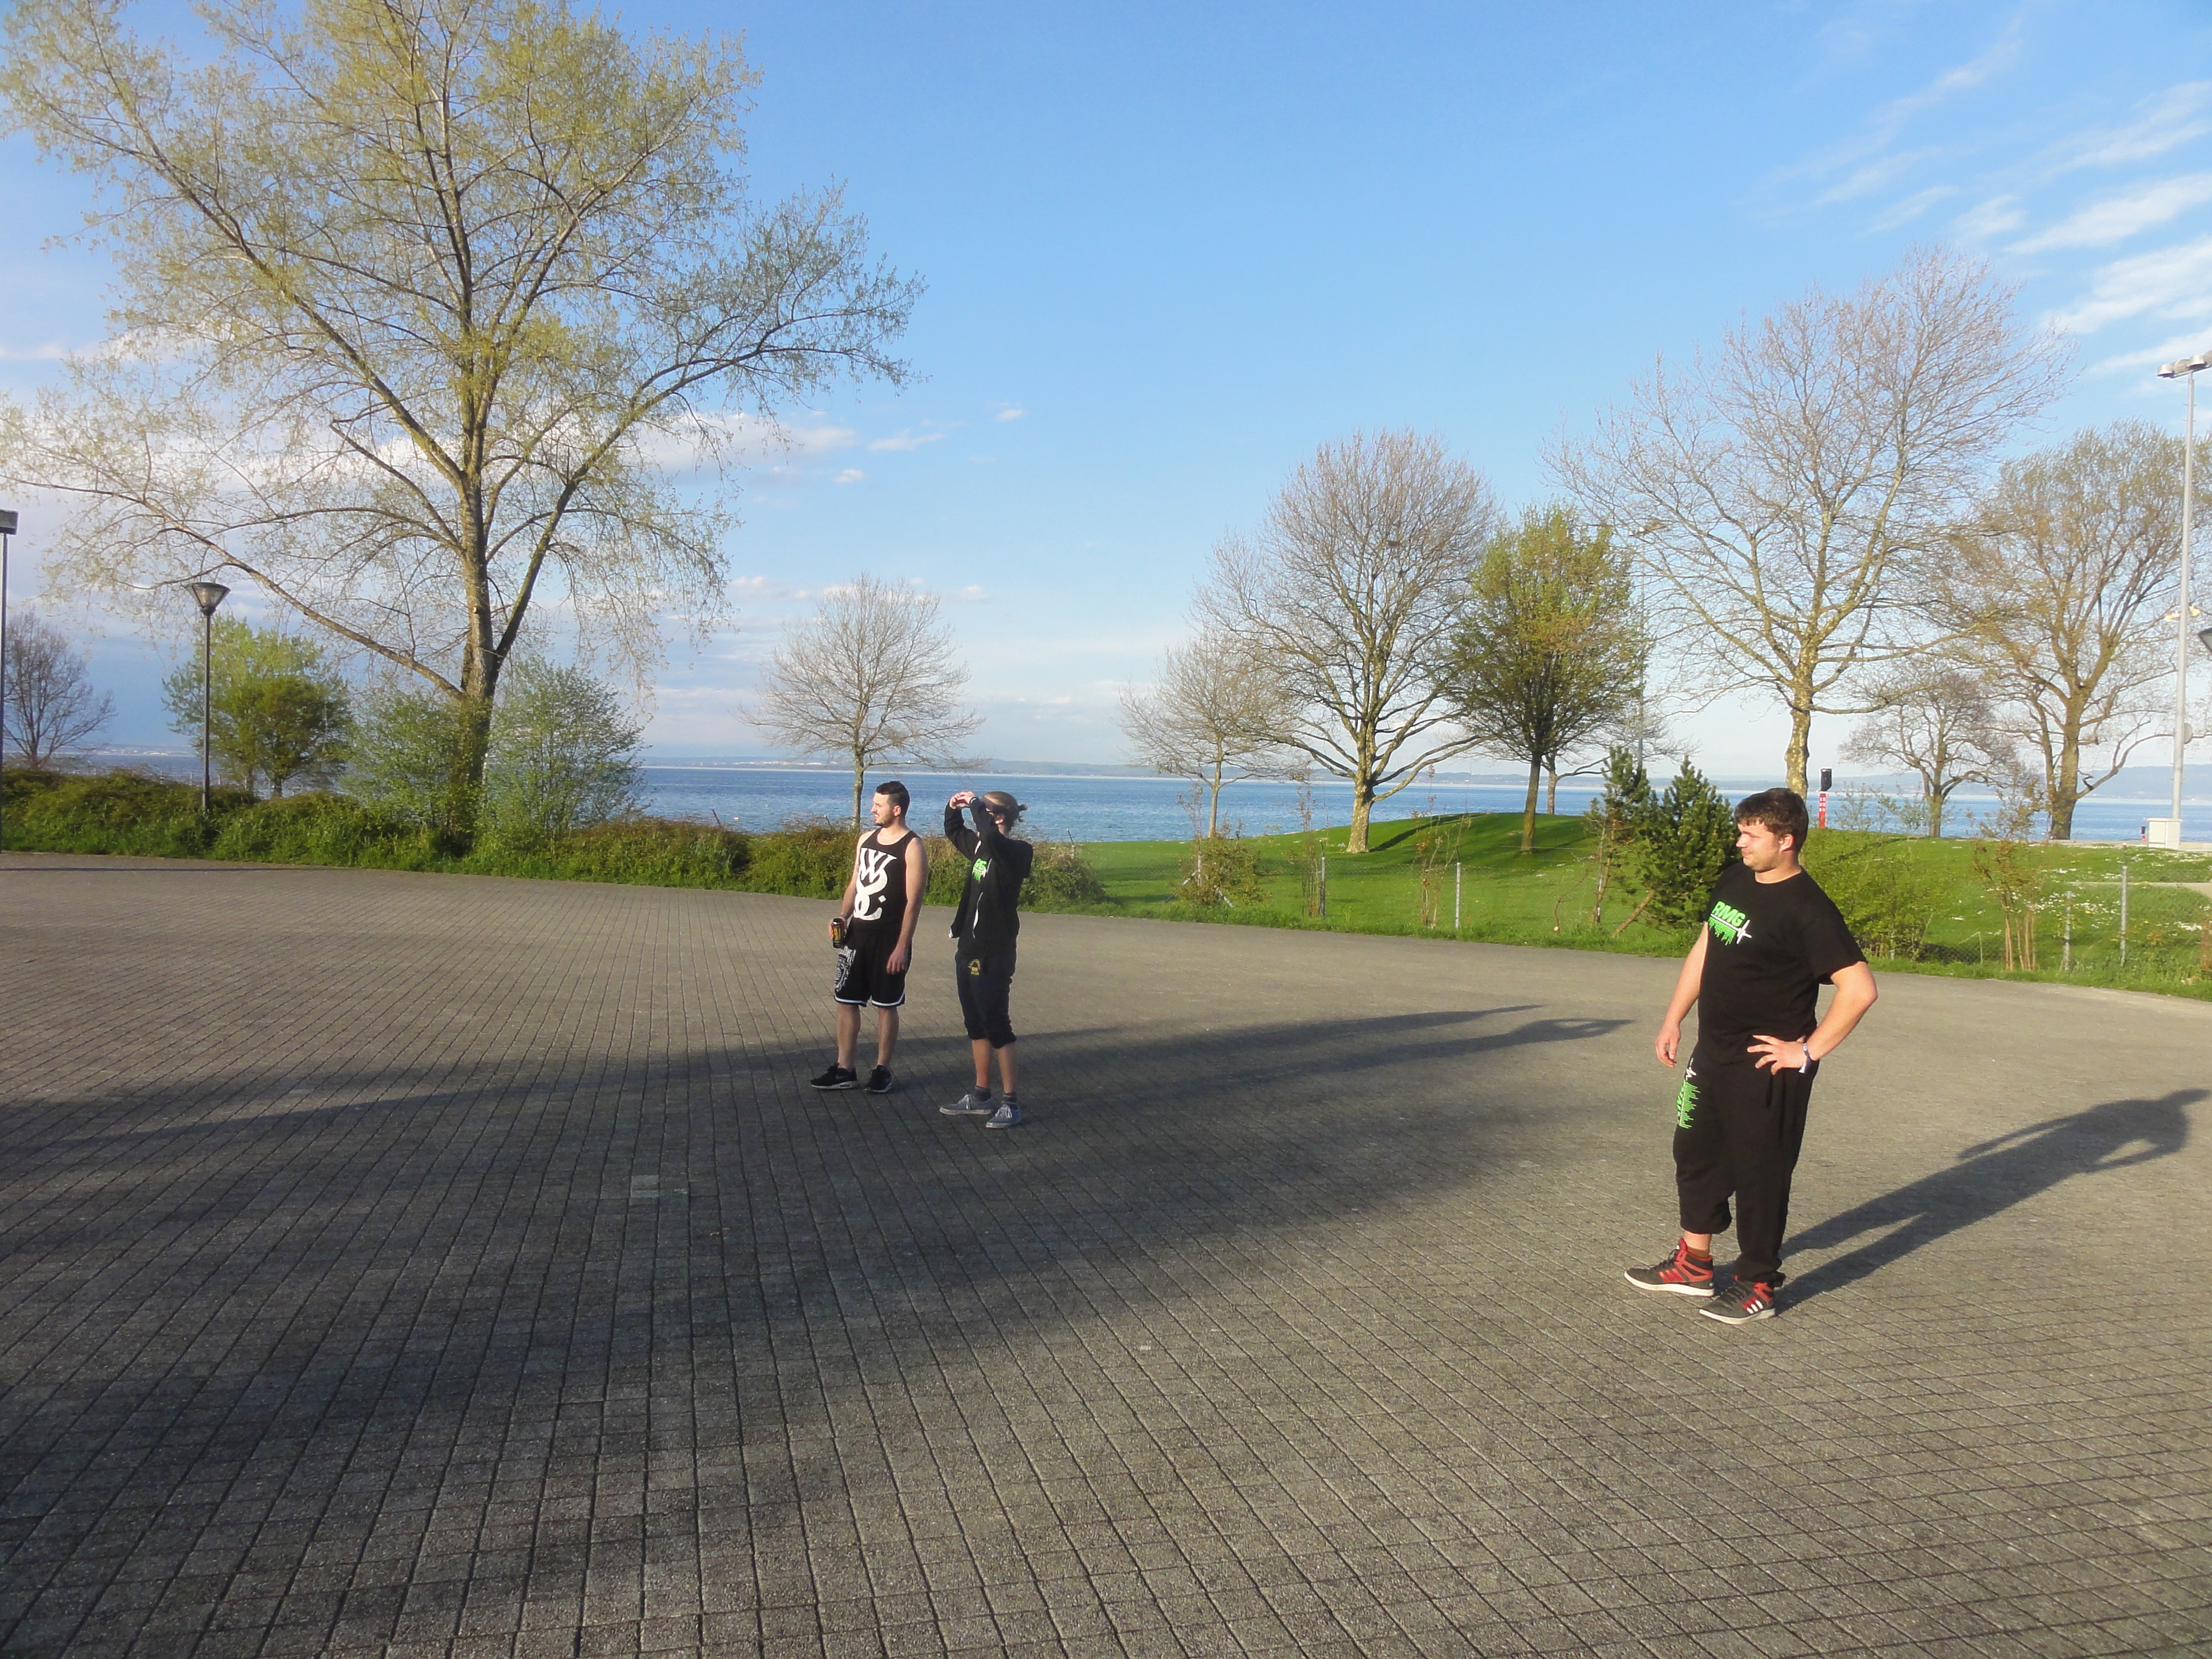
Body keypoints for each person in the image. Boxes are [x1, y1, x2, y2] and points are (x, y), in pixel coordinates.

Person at [1626, 787, 1879, 1323]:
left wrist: (1806, 1052)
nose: (1740, 843)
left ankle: (1758, 1283)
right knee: (1694, 1152)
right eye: (1740, 832)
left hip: (1766, 1065)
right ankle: (1694, 1266)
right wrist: (1674, 1017)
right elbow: (1706, 948)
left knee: (1761, 1173)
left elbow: (1859, 990)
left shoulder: (1809, 909)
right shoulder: (1737, 880)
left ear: (1786, 841)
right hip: (1713, 1051)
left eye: (1751, 835)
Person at [811, 781, 927, 1095]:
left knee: (886, 1005)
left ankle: (882, 1070)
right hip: (857, 936)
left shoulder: (912, 846)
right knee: (846, 1001)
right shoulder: (865, 840)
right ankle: (844, 1069)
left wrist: (902, 946)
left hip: (889, 939)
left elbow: (914, 903)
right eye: (873, 803)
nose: (873, 809)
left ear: (897, 810)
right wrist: (843, 916)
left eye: (879, 805)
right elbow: (856, 883)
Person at [937, 788, 1035, 1129]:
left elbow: (992, 838)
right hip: (969, 947)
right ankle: (981, 1096)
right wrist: (953, 807)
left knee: (997, 1026)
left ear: (1000, 817)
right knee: (975, 1024)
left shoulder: (1017, 851)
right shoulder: (981, 848)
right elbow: (954, 832)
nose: (977, 814)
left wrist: (975, 804)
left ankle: (1011, 1102)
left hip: (995, 950)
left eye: (984, 810)